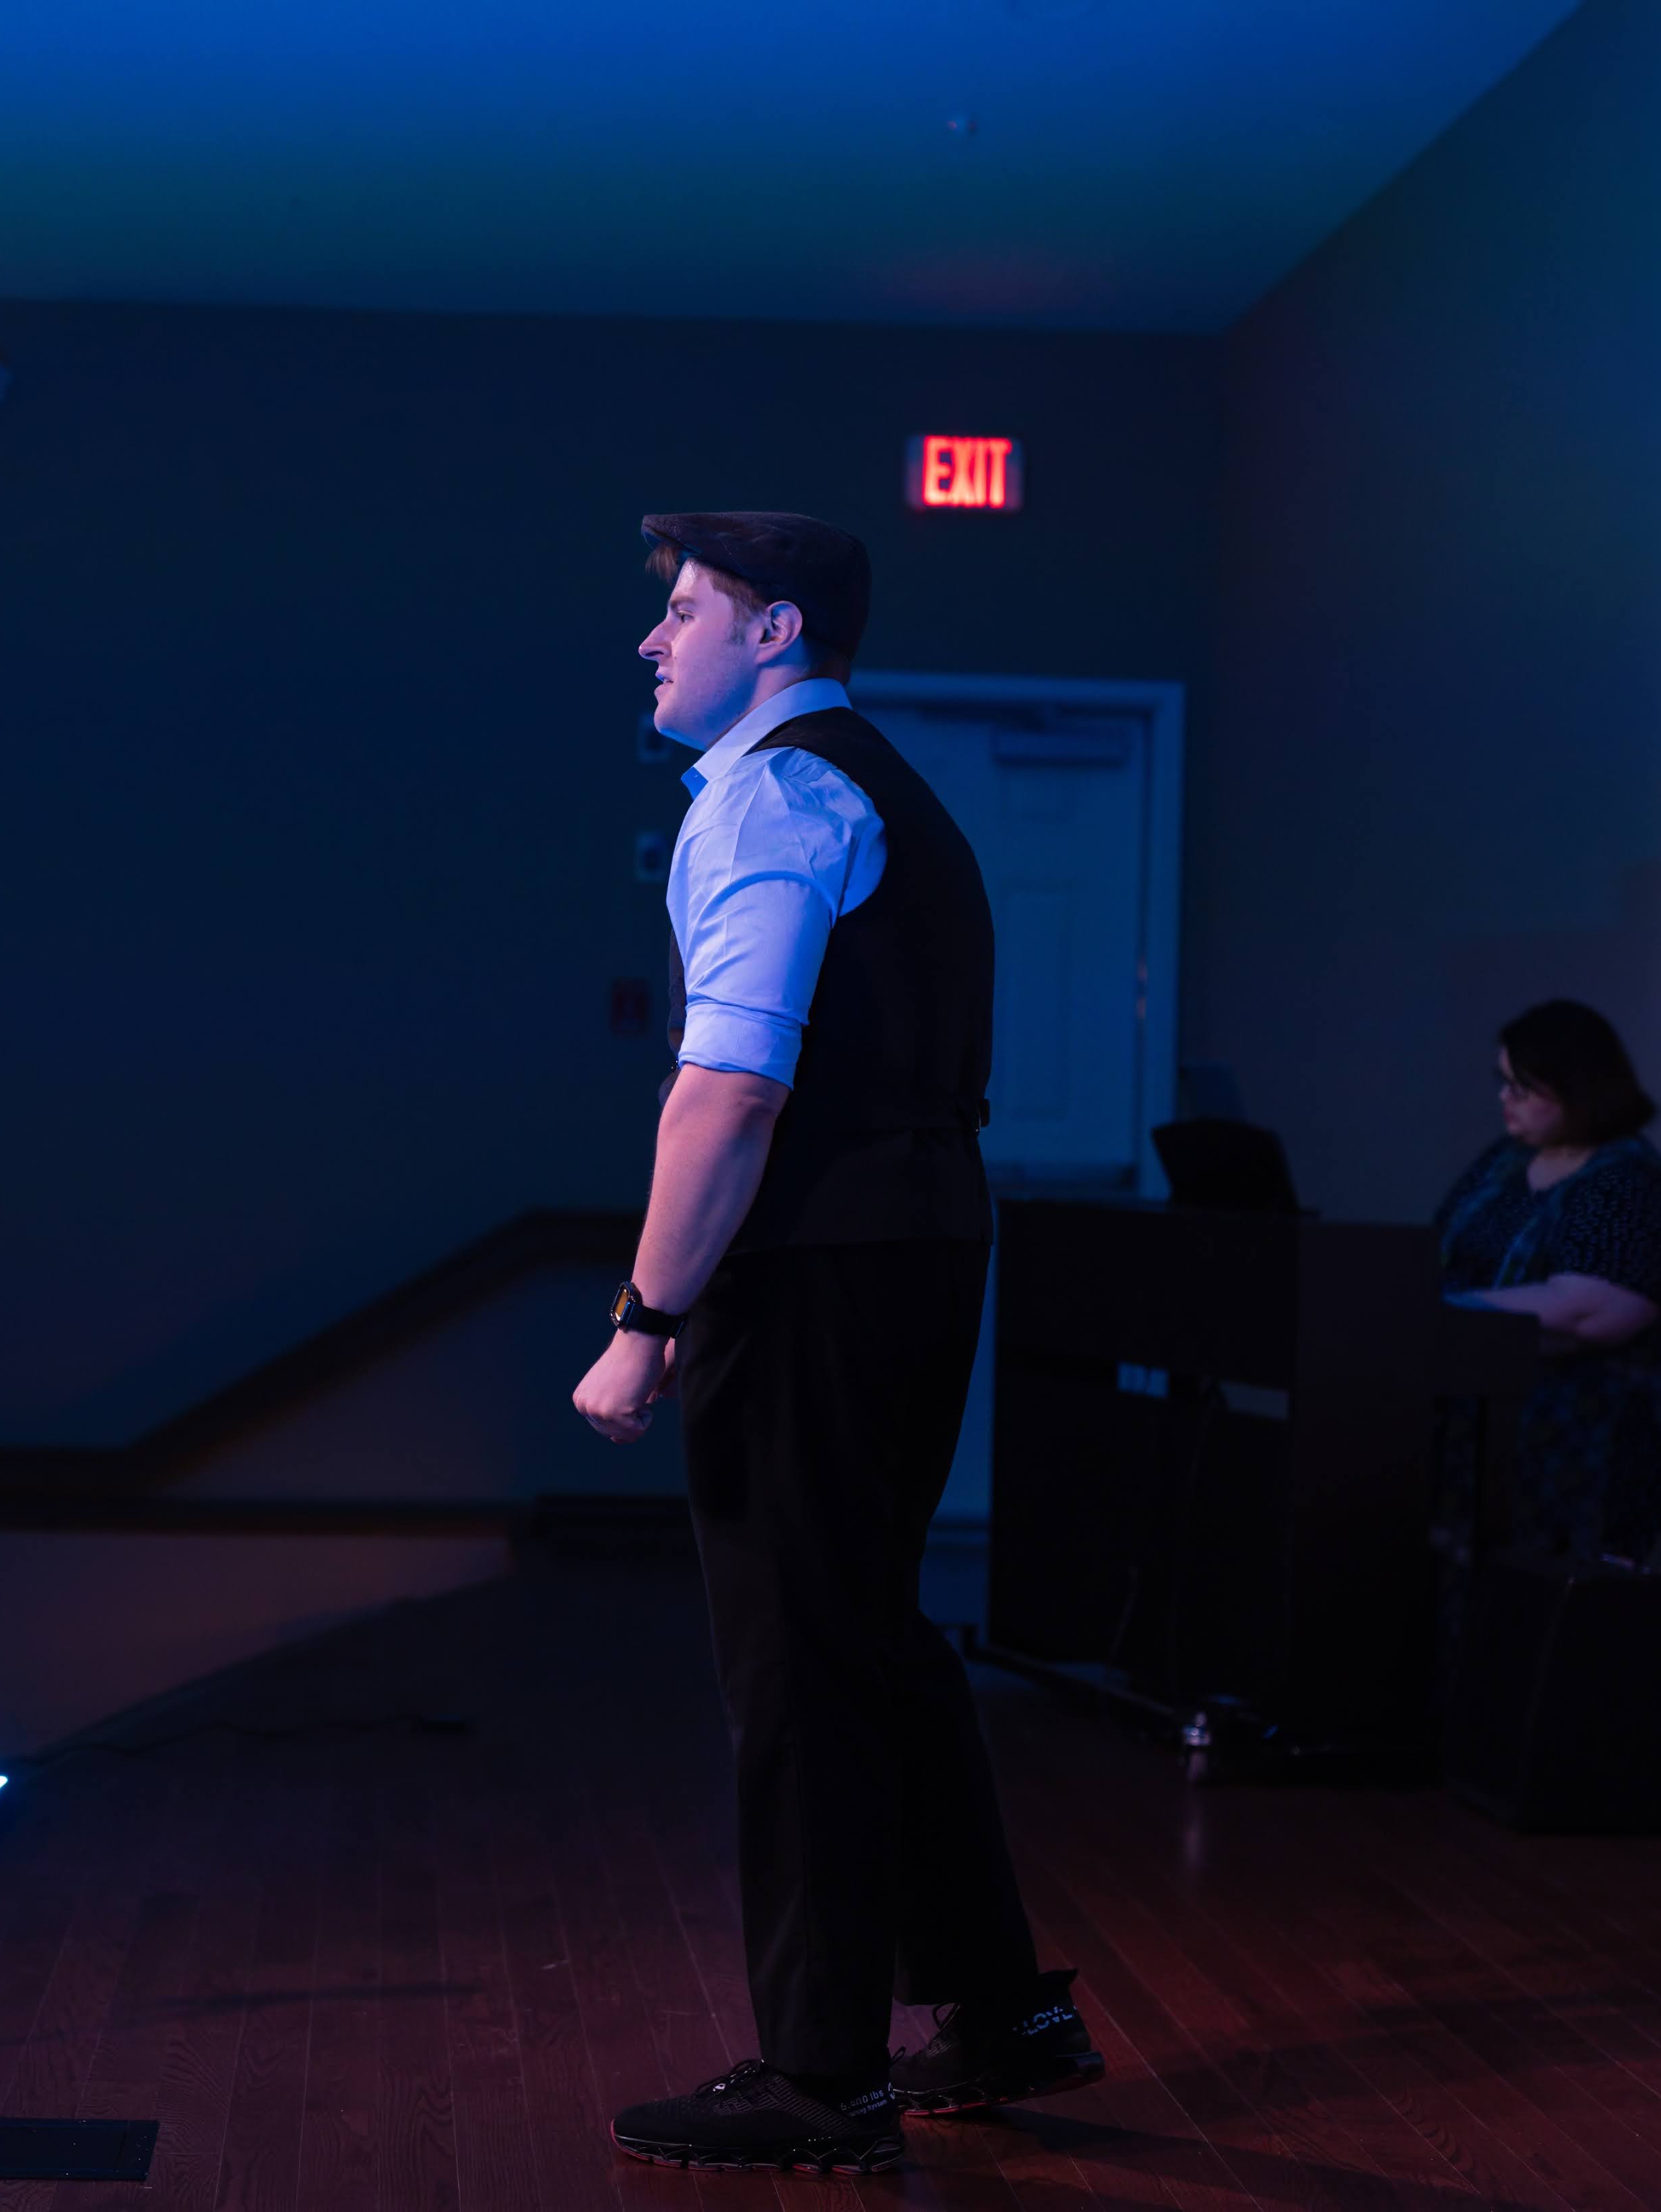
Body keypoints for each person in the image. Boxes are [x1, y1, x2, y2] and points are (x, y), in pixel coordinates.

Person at [570, 512, 1101, 2176]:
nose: (652, 640)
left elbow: (729, 1088)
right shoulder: (874, 785)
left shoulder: (771, 793)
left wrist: (644, 1318)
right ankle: (1000, 2009)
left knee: (799, 1662)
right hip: (917, 1242)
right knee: (870, 1633)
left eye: (683, 611)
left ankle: (821, 2076)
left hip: (812, 1266)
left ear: (775, 629)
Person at [1437, 999, 1661, 1563]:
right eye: (1503, 1083)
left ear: (1577, 1089)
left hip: (1580, 1439)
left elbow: (1587, 1310)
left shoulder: (1627, 1183)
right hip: (1478, 1427)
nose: (1504, 1099)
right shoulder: (1503, 1164)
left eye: (1522, 1087)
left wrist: (1450, 1311)